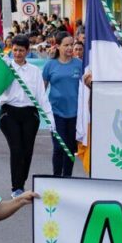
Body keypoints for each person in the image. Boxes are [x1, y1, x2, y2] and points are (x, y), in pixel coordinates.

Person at [0, 35, 54, 197]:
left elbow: (41, 96)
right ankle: (16, 187)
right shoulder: (5, 67)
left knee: (27, 150)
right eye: (15, 50)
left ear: (27, 51)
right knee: (16, 149)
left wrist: (49, 117)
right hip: (9, 112)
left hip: (30, 113)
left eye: (21, 50)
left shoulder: (34, 71)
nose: (17, 53)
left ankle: (21, 183)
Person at [42, 35, 81, 178]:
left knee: (70, 148)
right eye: (66, 45)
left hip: (75, 113)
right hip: (56, 112)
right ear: (58, 46)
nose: (70, 48)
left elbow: (86, 88)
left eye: (72, 44)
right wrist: (42, 108)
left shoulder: (79, 64)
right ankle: (57, 177)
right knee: (59, 147)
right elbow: (42, 89)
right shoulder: (50, 65)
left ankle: (67, 178)